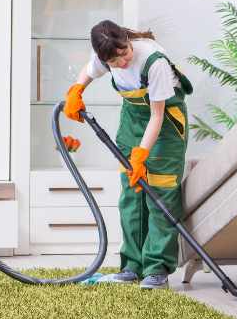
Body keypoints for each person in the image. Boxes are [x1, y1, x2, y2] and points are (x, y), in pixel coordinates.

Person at [63, 20, 193, 289]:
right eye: (113, 60)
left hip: (165, 125)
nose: (122, 61)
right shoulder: (106, 56)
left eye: (124, 53)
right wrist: (77, 90)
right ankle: (132, 267)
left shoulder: (153, 62)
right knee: (131, 195)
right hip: (132, 121)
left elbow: (157, 116)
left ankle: (156, 270)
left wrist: (142, 153)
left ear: (126, 40)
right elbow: (88, 72)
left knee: (160, 196)